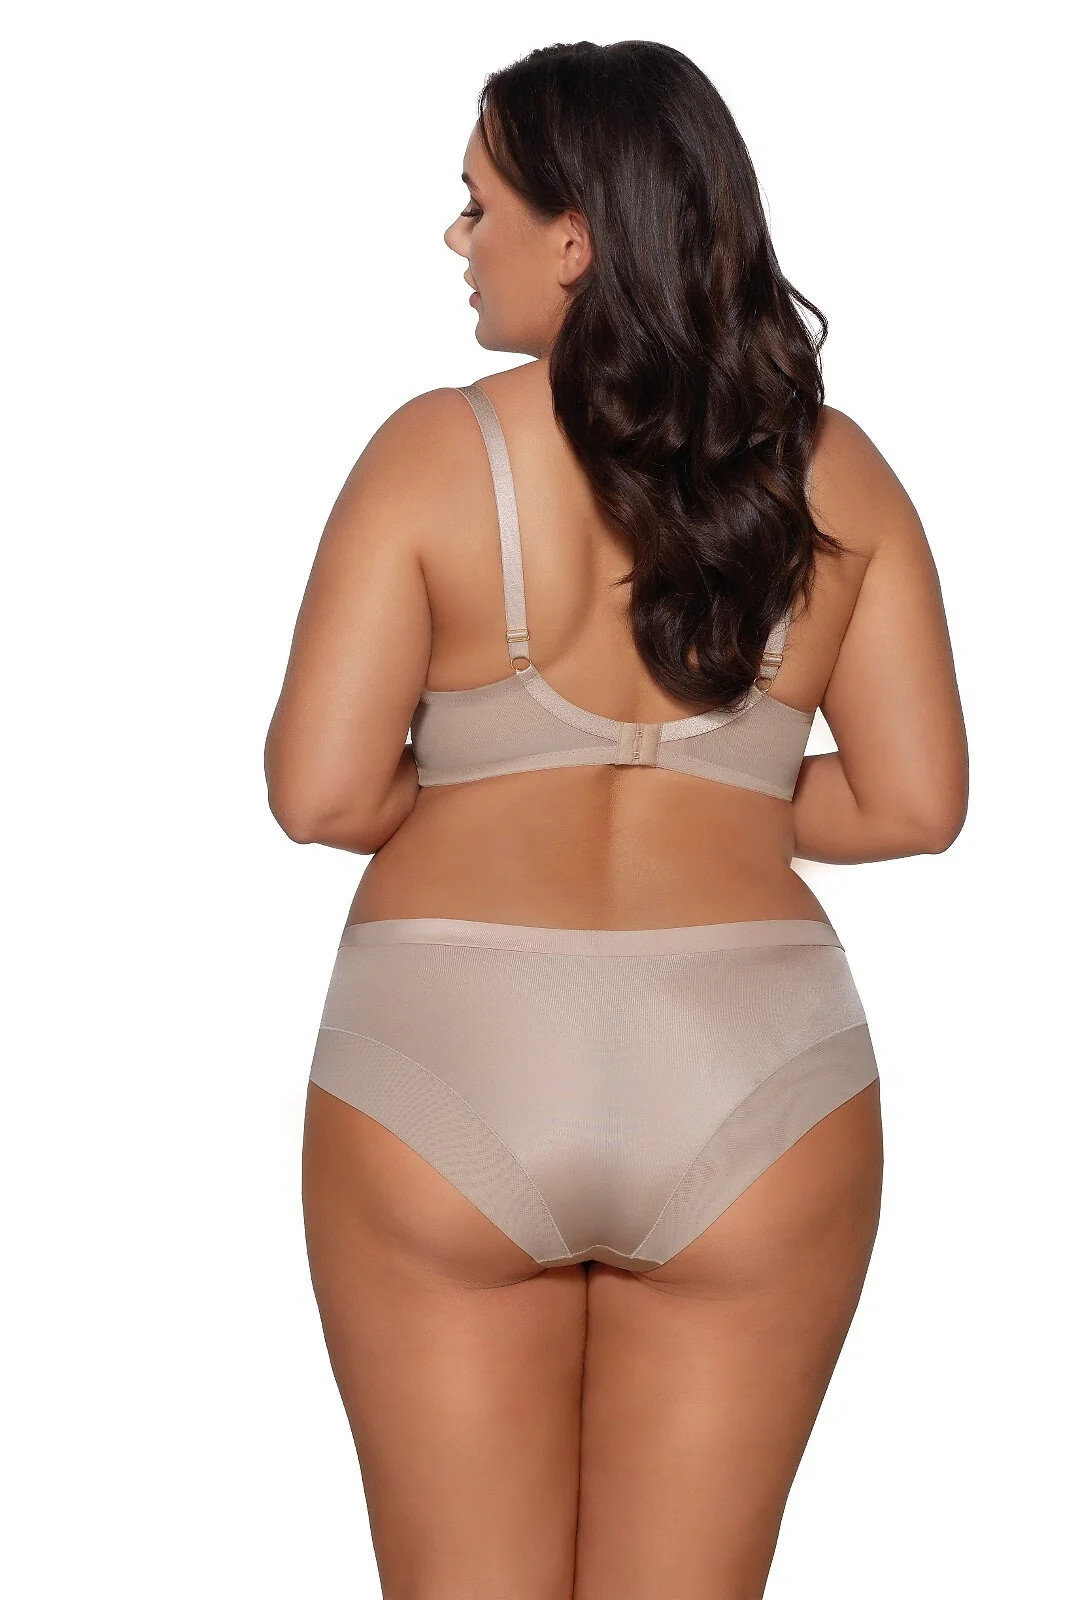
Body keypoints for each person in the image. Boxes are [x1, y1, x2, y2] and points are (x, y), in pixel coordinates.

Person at [263, 38, 968, 1600]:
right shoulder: (839, 475)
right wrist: (728, 792)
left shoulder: (433, 454)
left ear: (574, 238)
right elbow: (915, 804)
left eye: (479, 205)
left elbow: (320, 793)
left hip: (447, 1060)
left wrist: (478, 780)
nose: (459, 237)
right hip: (757, 1077)